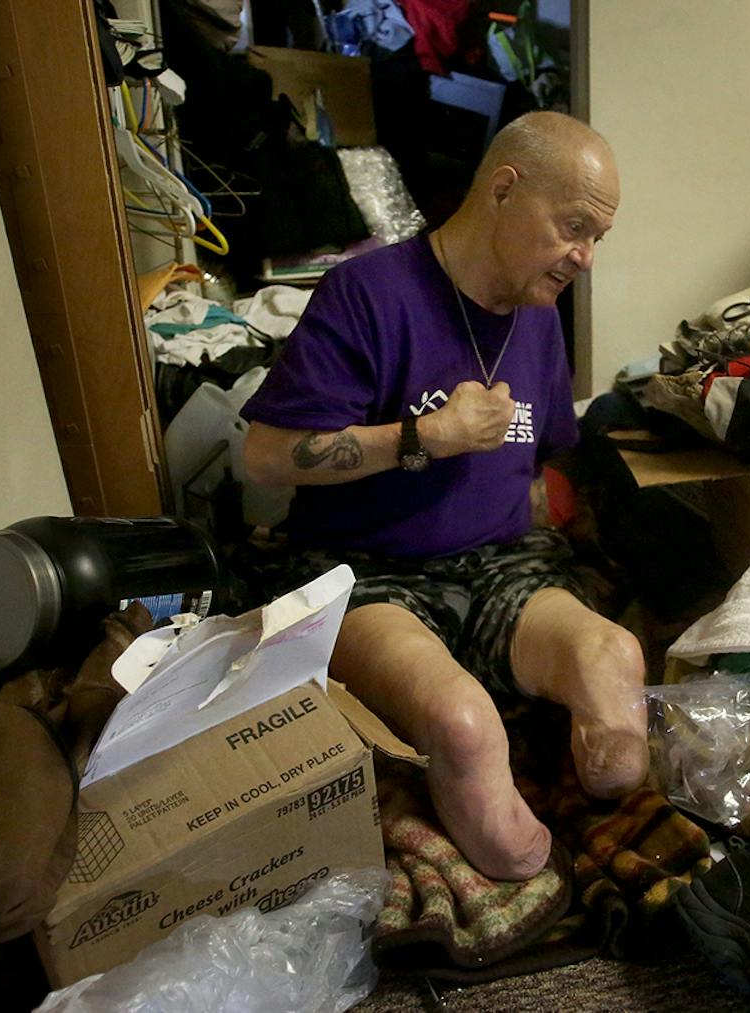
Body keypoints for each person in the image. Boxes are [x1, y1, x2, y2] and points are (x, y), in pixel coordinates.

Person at [240, 111, 647, 881]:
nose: (586, 257)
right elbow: (262, 457)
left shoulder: (538, 314)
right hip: (367, 571)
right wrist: (426, 436)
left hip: (502, 563)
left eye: (597, 238)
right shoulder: (366, 292)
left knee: (614, 661)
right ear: (504, 190)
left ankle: (597, 841)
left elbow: (542, 467)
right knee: (465, 726)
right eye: (574, 228)